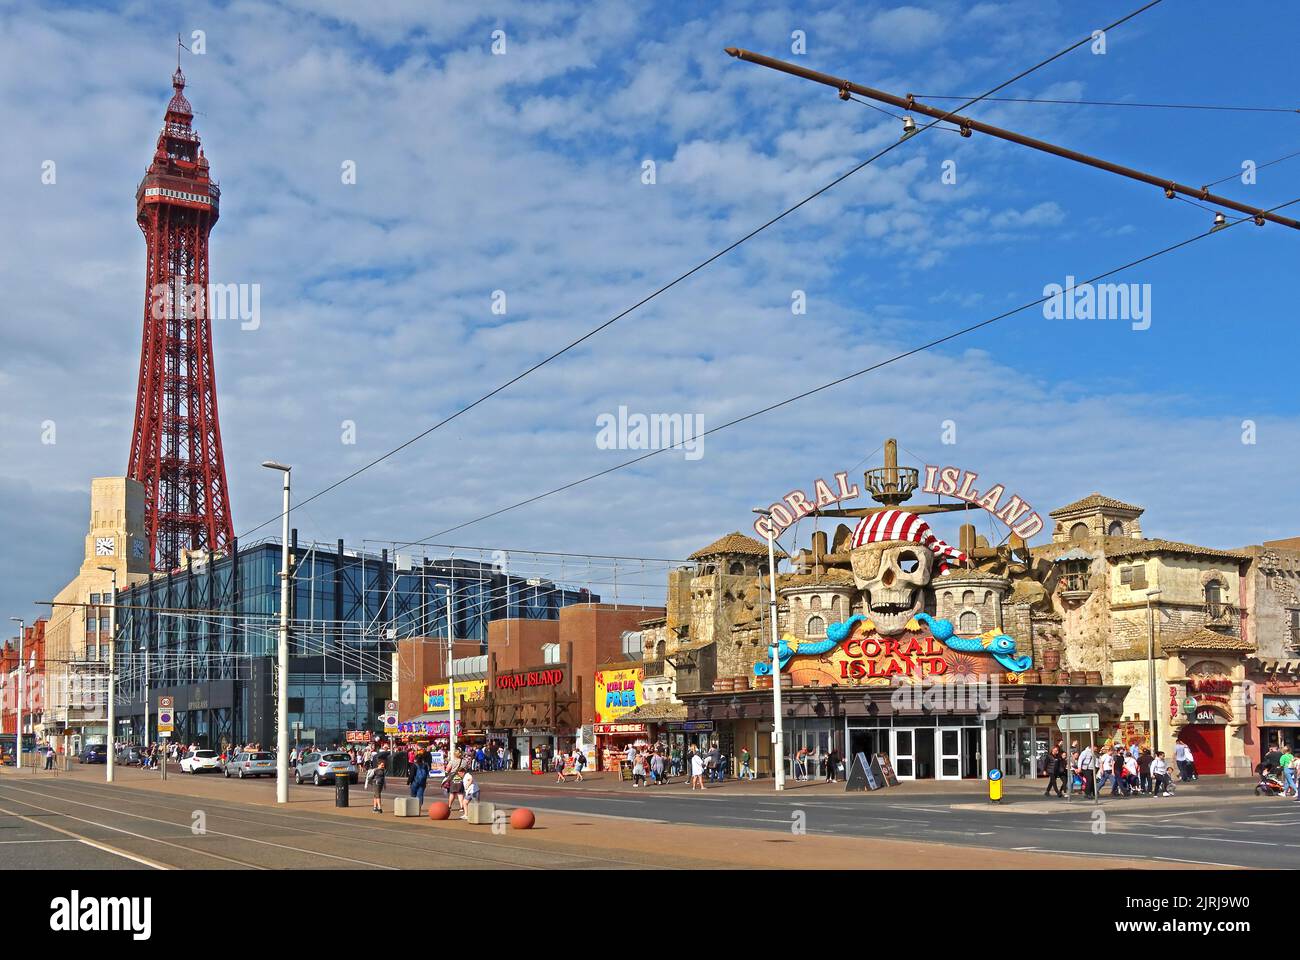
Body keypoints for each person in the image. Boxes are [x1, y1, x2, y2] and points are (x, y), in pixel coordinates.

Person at [445, 748, 469, 818]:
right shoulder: (464, 762)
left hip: (453, 777)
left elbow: (447, 769)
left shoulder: (452, 761)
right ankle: (462, 806)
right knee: (460, 792)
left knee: (452, 792)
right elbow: (466, 769)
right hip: (461, 777)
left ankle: (449, 806)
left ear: (454, 754)